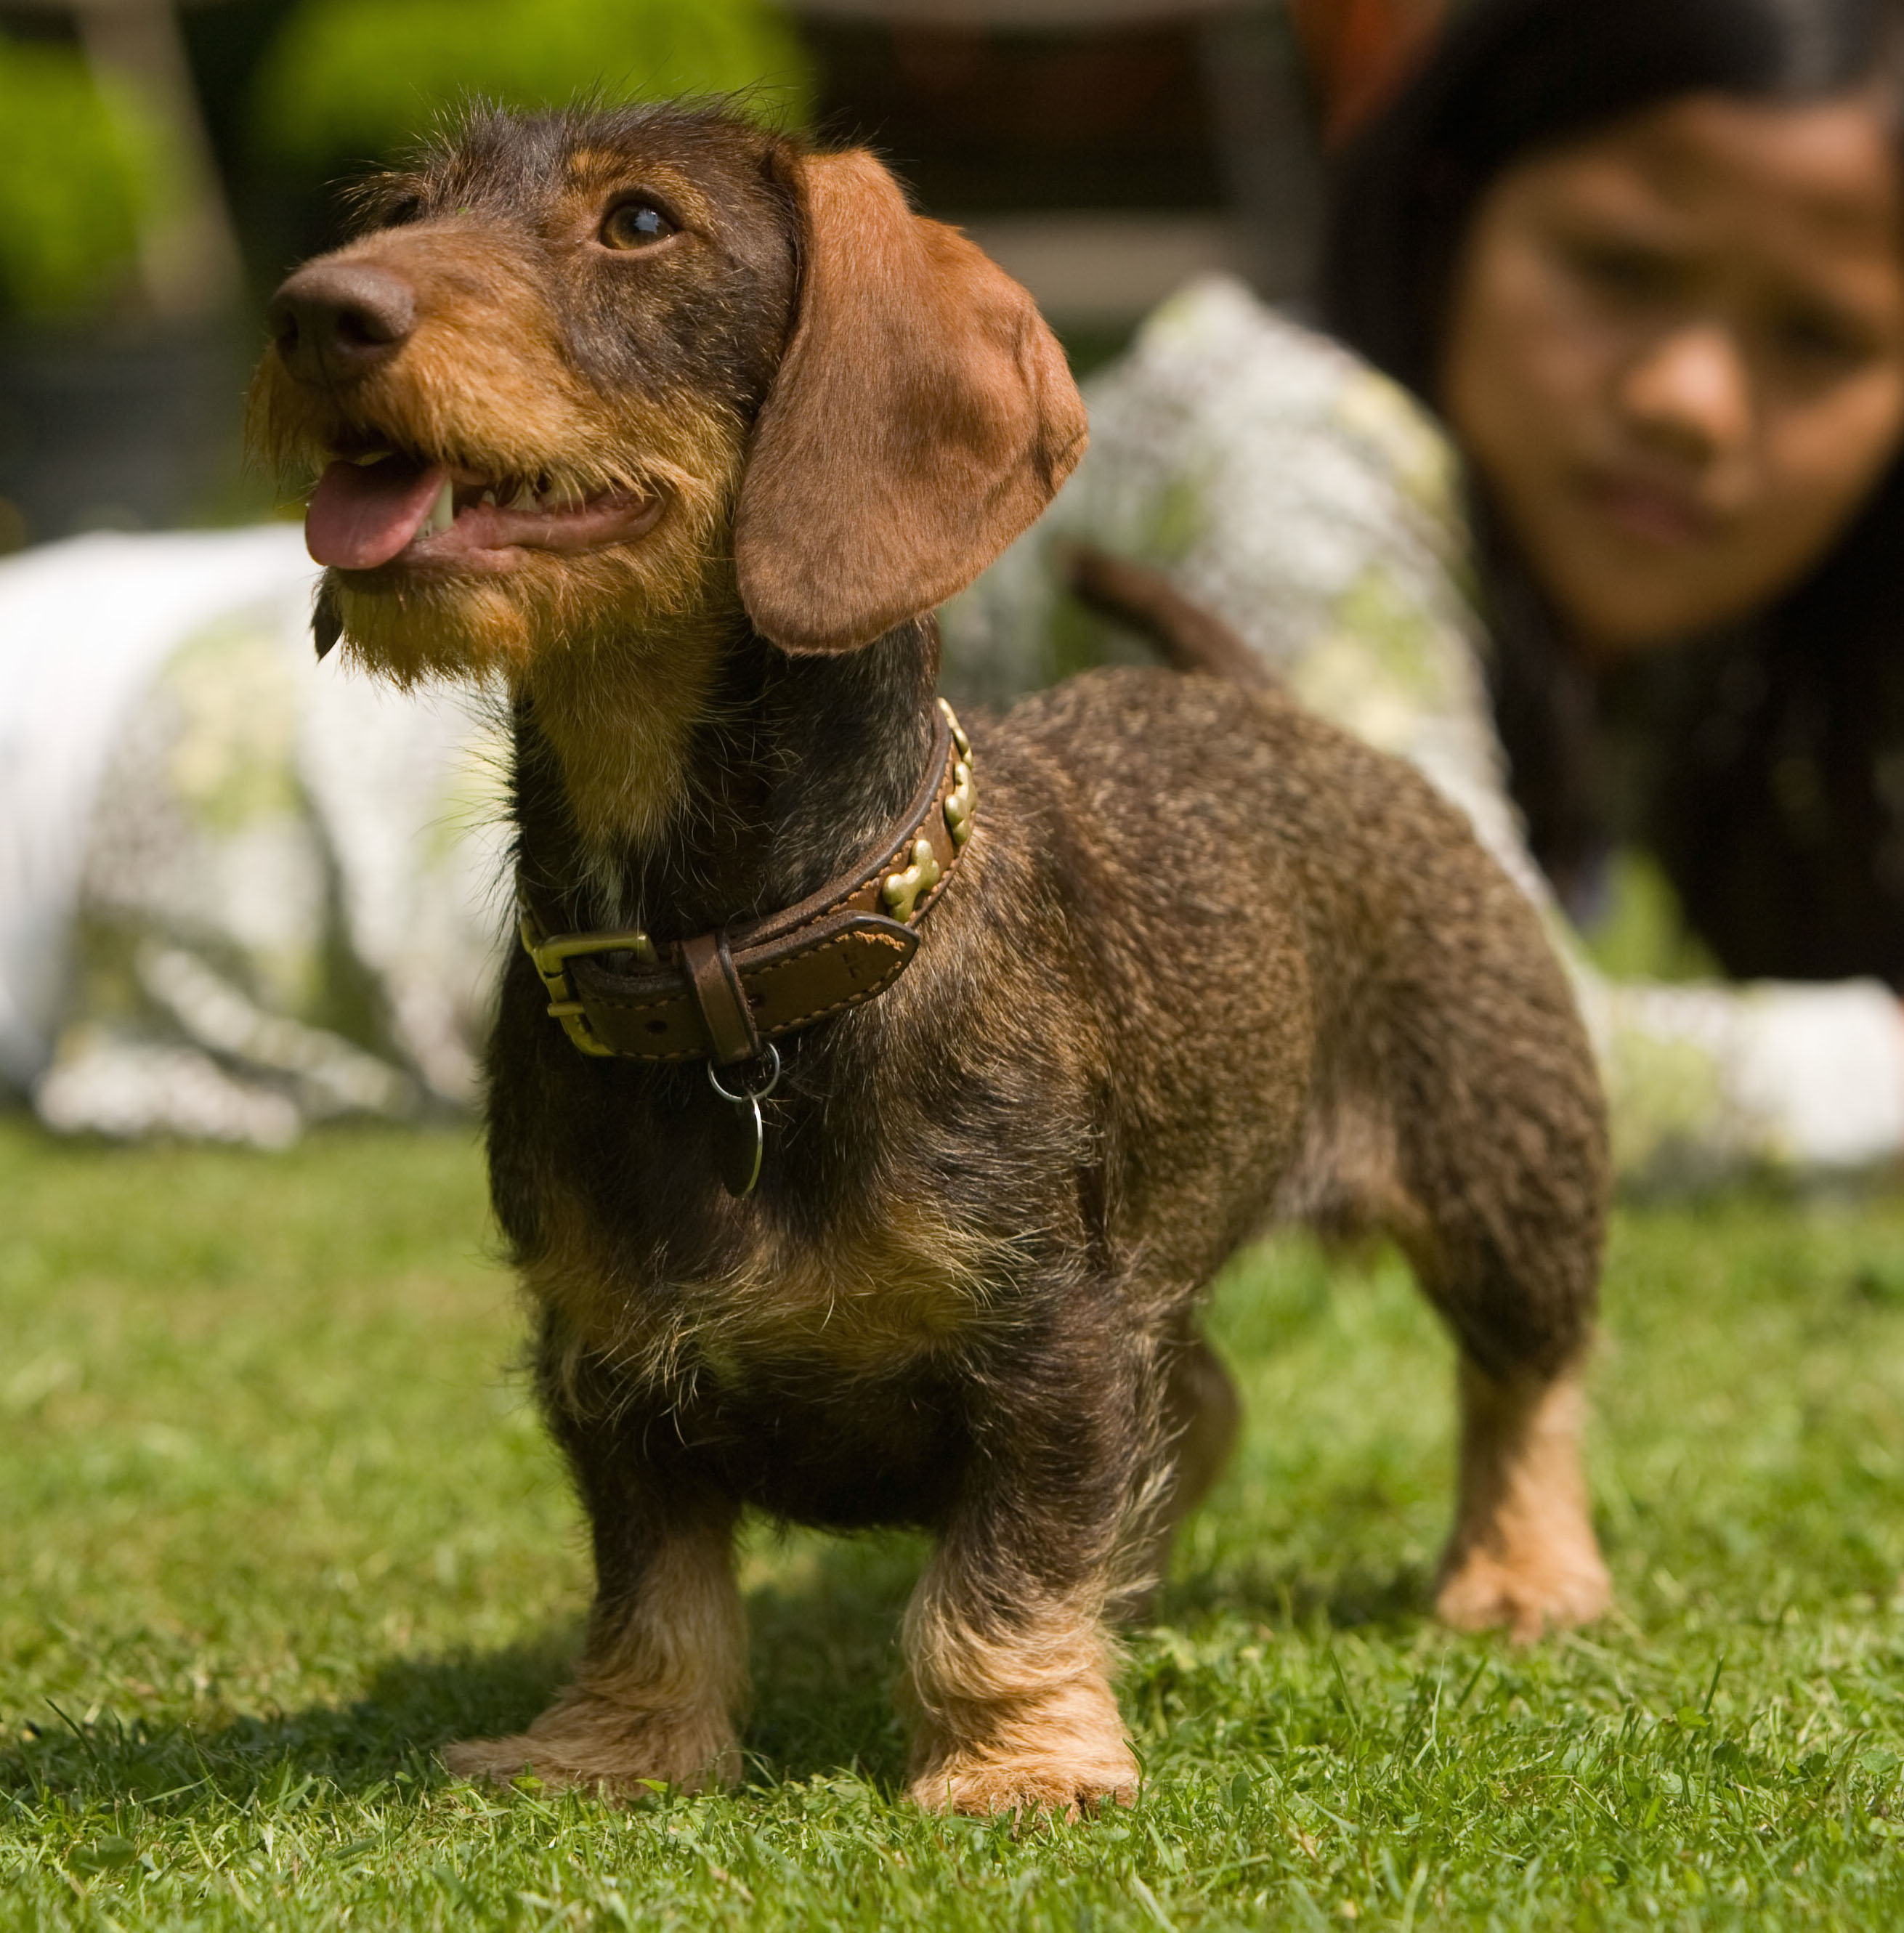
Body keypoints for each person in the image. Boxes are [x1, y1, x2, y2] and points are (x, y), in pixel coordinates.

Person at [943, 0, 1904, 1186]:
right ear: (1448, 210)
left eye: (1814, 338)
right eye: (1619, 269)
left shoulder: (1610, 580)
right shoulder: (1283, 456)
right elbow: (1477, 1061)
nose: (1687, 400)